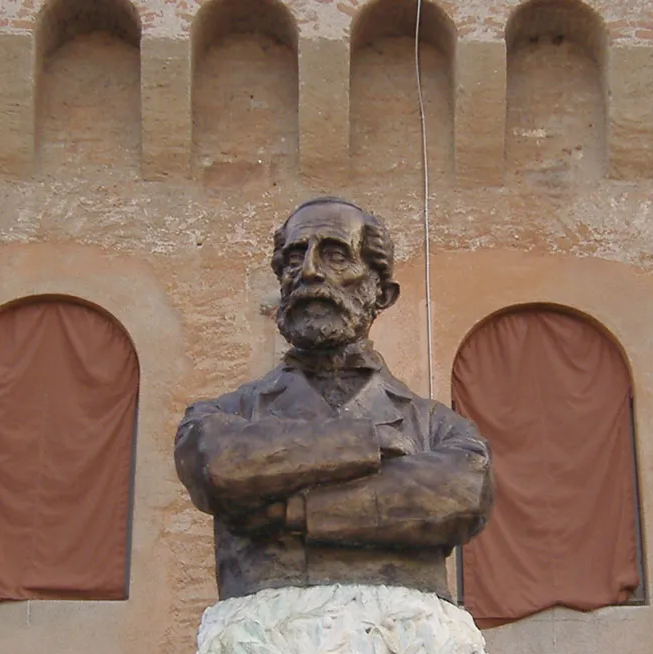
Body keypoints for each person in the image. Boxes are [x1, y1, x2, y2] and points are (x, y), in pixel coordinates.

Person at [175, 197, 493, 601]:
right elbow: (216, 464)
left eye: (336, 257)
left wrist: (295, 511)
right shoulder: (223, 415)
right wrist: (367, 444)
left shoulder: (437, 428)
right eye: (294, 259)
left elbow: (462, 494)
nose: (309, 272)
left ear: (382, 294)